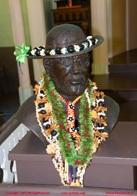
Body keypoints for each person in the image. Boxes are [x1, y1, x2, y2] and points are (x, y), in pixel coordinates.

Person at [13, 24, 119, 186]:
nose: (76, 70)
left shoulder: (108, 106)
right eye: (66, 61)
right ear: (47, 66)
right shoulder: (31, 111)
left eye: (83, 60)